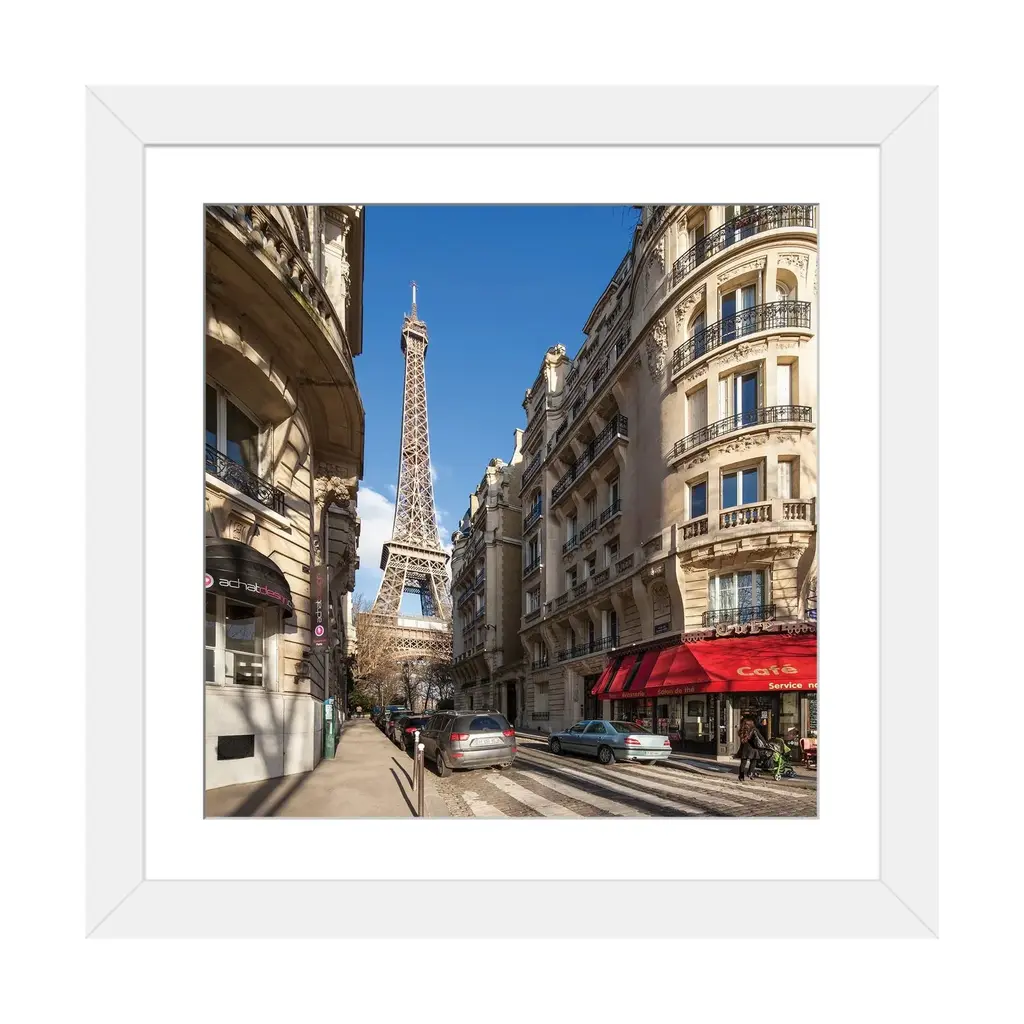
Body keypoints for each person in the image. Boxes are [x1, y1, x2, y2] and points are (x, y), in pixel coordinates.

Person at [736, 715, 763, 781]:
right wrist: (766, 744)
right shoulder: (754, 729)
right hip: (753, 748)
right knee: (754, 761)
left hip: (744, 748)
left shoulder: (742, 730)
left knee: (743, 763)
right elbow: (761, 738)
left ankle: (741, 777)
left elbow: (741, 737)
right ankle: (750, 773)